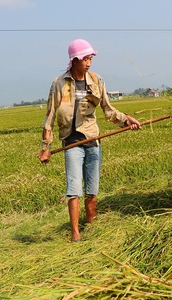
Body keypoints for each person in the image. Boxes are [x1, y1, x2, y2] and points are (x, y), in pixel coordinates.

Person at [38, 39, 141, 242]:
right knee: (74, 188)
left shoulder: (96, 80)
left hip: (93, 140)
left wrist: (126, 120)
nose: (89, 63)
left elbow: (108, 110)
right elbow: (50, 116)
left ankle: (91, 225)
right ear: (74, 60)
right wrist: (45, 147)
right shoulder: (59, 83)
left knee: (92, 189)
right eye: (85, 58)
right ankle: (75, 233)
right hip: (72, 142)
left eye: (90, 58)